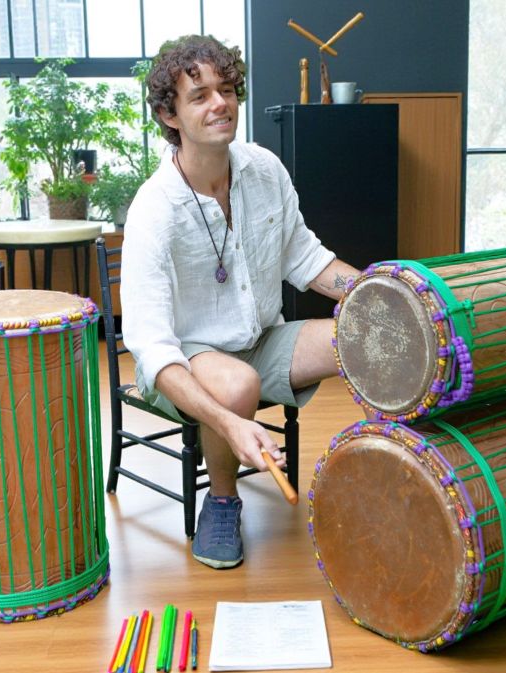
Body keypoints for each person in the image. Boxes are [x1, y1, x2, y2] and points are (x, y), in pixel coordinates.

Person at [120, 35, 361, 570]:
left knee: (364, 332)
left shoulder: (264, 168)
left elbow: (307, 259)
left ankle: (392, 460)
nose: (220, 104)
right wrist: (232, 424)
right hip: (189, 358)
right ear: (169, 114)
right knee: (237, 386)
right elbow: (152, 348)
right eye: (200, 95)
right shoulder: (154, 209)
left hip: (262, 339)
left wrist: (381, 292)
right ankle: (223, 500)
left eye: (226, 90)